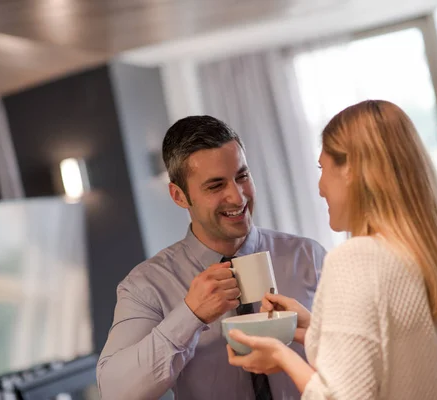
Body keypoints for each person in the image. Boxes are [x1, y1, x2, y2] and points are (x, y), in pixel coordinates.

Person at [227, 100, 437, 399]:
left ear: (351, 170)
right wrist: (316, 327)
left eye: (323, 167)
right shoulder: (432, 256)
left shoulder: (357, 258)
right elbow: (391, 354)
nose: (320, 187)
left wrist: (282, 356)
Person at [97, 116, 327, 400]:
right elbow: (115, 391)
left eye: (242, 176)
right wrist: (189, 315)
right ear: (179, 196)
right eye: (216, 186)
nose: (238, 196)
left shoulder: (309, 257)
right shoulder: (146, 285)